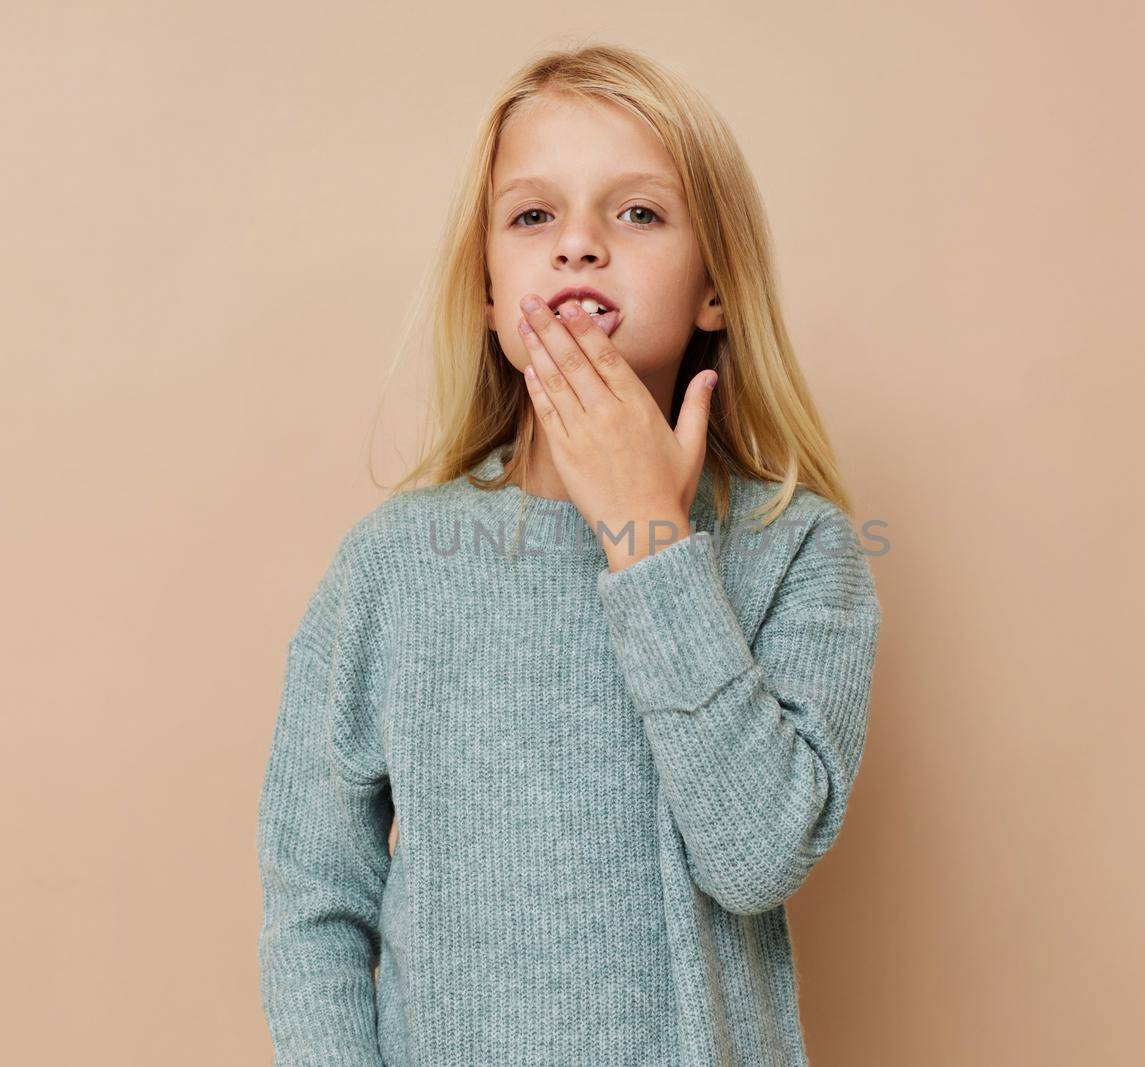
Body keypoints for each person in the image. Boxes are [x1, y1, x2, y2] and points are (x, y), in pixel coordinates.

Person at [256, 43, 883, 1067]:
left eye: (636, 213)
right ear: (491, 292)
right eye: (532, 215)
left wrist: (650, 539)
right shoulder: (394, 566)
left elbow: (758, 852)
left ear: (713, 288)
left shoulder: (799, 552)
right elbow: (313, 901)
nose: (579, 245)